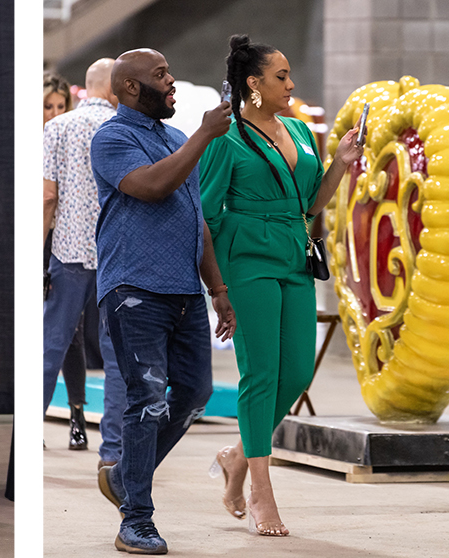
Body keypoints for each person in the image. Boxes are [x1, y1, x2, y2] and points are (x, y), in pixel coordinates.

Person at [195, 35, 361, 538]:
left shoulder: (298, 130)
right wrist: (216, 286)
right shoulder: (225, 136)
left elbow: (310, 203)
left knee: (294, 374)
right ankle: (261, 493)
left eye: (289, 76)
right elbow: (203, 212)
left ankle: (235, 456)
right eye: (281, 76)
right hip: (245, 258)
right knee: (261, 373)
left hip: (293, 252)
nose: (291, 85)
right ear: (254, 83)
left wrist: (343, 161)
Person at [92, 47, 238, 555]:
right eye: (161, 75)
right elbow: (151, 188)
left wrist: (217, 290)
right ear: (131, 88)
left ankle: (126, 477)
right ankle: (136, 519)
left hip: (184, 292)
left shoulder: (176, 140)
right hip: (133, 290)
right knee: (148, 401)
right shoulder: (112, 137)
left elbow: (195, 219)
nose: (172, 81)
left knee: (195, 393)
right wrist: (202, 135)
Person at [43, 58, 121, 467]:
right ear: (113, 88)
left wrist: (41, 255)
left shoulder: (57, 128)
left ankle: (28, 442)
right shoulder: (126, 129)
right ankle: (114, 450)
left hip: (68, 250)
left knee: (51, 345)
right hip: (116, 253)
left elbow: (47, 197)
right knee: (116, 353)